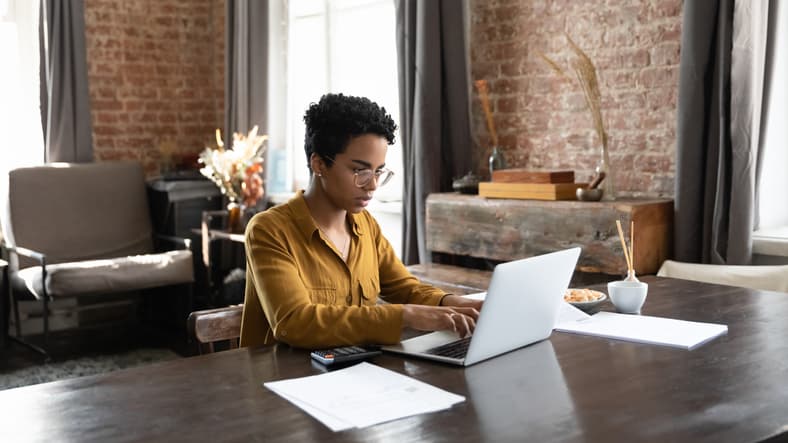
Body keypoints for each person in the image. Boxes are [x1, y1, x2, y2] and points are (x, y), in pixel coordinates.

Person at [239, 93, 482, 349]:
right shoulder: (268, 230)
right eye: (360, 171)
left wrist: (460, 303)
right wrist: (406, 316)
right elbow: (296, 322)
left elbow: (407, 289)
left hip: (353, 372)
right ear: (319, 164)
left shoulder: (366, 225)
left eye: (378, 171)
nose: (373, 185)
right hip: (283, 381)